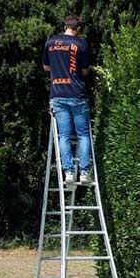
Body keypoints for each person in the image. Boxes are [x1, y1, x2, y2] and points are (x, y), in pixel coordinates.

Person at [42, 14, 92, 186]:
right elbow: (85, 71)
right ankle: (84, 172)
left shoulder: (50, 43)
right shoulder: (81, 44)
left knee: (64, 136)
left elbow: (46, 67)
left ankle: (69, 173)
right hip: (77, 94)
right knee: (83, 135)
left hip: (57, 94)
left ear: (65, 26)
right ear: (78, 28)